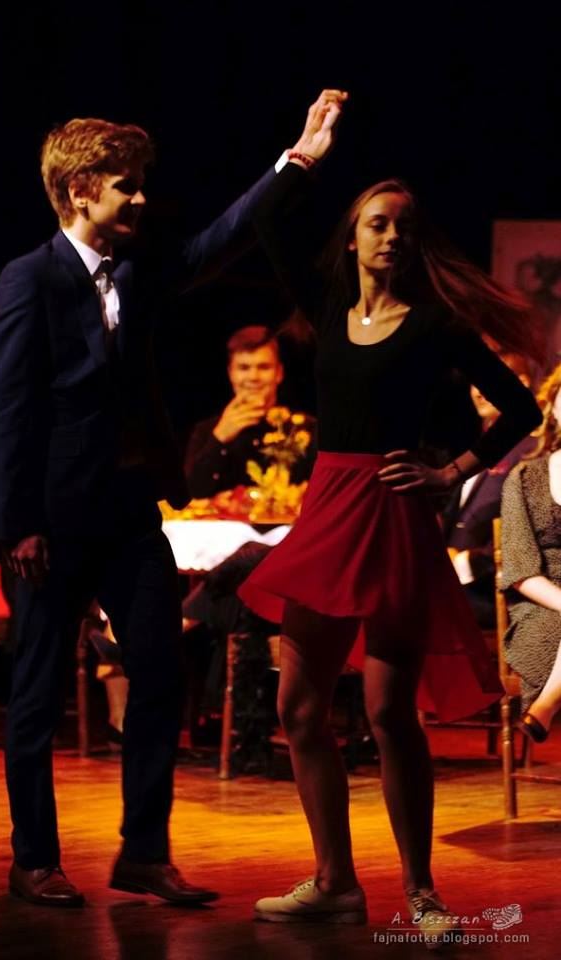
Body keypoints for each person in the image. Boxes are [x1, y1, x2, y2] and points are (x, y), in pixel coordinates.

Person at [0, 93, 345, 908]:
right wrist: (19, 523)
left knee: (158, 667)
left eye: (141, 182)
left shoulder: (138, 271)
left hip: (128, 515)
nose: (142, 198)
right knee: (36, 693)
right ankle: (33, 859)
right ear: (79, 191)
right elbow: (2, 406)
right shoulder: (30, 279)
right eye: (126, 185)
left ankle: (142, 852)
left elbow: (221, 238)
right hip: (52, 524)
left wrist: (297, 161)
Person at [236, 120, 543, 940]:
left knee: (387, 711)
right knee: (300, 707)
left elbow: (519, 408)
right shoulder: (326, 307)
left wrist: (450, 472)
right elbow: (266, 218)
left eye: (404, 226)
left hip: (392, 513)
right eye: (377, 223)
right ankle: (334, 882)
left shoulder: (434, 323)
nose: (392, 237)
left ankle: (421, 895)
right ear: (352, 238)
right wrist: (306, 152)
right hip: (328, 509)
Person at [442, 353, 534, 628]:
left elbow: (528, 529)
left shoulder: (531, 451)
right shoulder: (479, 448)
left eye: (489, 382)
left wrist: (466, 561)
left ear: (522, 383)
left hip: (491, 593)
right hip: (456, 585)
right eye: (476, 383)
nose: (479, 392)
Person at [500, 363, 561, 743]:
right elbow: (520, 570)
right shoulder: (524, 478)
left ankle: (545, 706)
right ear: (553, 407)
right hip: (542, 604)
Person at [184, 324, 316, 498]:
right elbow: (189, 495)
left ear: (279, 373)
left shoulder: (305, 428)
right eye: (244, 368)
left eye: (263, 367)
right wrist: (220, 438)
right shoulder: (206, 431)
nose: (253, 377)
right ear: (231, 373)